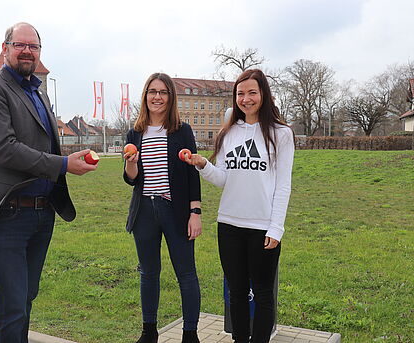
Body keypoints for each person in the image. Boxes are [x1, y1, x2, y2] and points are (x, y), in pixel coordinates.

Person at [0, 22, 97, 343]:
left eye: (34, 47)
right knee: (11, 309)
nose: (27, 51)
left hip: (40, 214)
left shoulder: (37, 90)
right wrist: (65, 164)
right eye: (20, 45)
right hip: (5, 215)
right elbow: (4, 150)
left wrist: (68, 155)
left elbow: (42, 146)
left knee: (24, 301)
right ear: (5, 47)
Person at [184, 69, 294, 343]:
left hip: (262, 227)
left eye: (252, 92)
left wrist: (276, 228)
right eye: (240, 94)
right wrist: (203, 165)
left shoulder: (281, 134)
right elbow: (223, 179)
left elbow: (283, 186)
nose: (246, 99)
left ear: (263, 95)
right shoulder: (229, 132)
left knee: (264, 293)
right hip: (229, 225)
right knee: (237, 291)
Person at [123, 73, 202, 343]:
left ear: (171, 97)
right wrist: (131, 163)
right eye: (152, 91)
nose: (157, 97)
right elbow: (131, 178)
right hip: (144, 210)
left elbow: (193, 176)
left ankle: (190, 334)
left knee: (186, 273)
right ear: (145, 96)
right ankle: (149, 332)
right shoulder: (135, 132)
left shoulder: (182, 131)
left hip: (175, 210)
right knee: (148, 273)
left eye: (163, 92)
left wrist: (195, 213)